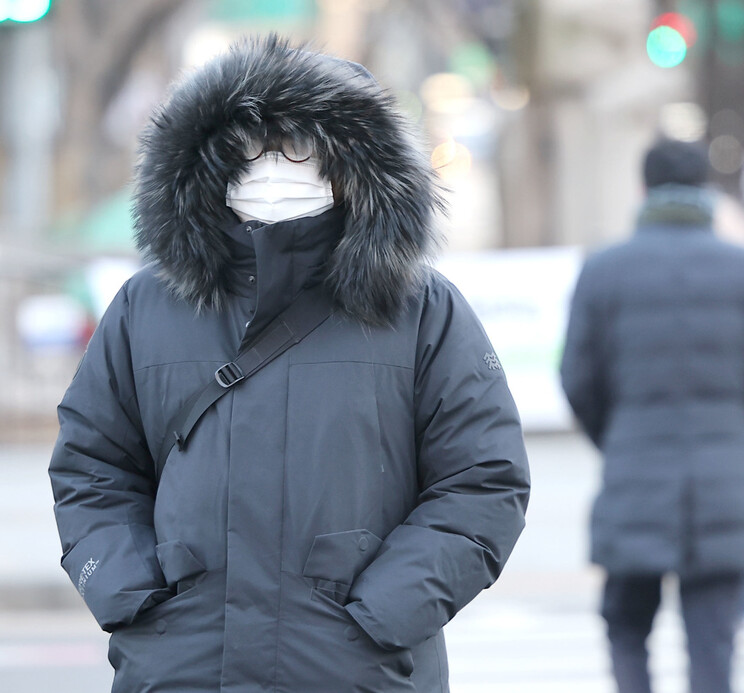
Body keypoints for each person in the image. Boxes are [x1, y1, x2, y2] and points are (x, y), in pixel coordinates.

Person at [49, 36, 530, 693]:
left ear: (350, 162)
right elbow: (91, 464)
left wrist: (385, 612)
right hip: (181, 670)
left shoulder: (420, 310)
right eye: (251, 145)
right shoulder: (147, 304)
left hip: (359, 671)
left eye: (298, 147)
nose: (273, 168)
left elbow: (482, 479)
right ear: (210, 157)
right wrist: (127, 592)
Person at [560, 138, 744, 693]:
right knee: (713, 640)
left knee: (625, 625)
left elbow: (577, 380)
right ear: (705, 192)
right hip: (723, 483)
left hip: (633, 476)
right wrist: (738, 428)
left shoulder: (604, 270)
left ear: (643, 190)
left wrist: (617, 435)